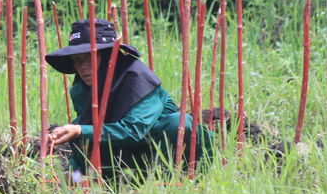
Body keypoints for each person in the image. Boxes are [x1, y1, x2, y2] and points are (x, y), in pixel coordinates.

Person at [45, 18, 212, 183]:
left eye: (90, 56)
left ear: (109, 55)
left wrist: (80, 130)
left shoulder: (137, 79)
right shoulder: (81, 89)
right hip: (128, 160)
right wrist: (71, 171)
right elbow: (86, 127)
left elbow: (134, 131)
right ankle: (116, 183)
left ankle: (176, 184)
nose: (83, 66)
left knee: (178, 123)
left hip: (162, 152)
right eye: (76, 59)